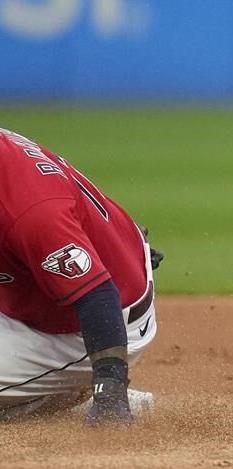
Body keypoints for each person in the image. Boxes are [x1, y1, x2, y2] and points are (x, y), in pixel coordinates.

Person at [0, 127, 162, 424]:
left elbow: (97, 297)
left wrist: (110, 394)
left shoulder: (33, 213)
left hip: (90, 326)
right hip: (34, 291)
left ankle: (67, 401)